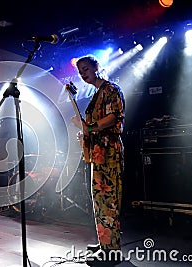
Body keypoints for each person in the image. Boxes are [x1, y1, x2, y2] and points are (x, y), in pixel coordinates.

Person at [70, 55, 125, 266]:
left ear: (96, 67)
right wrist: (86, 133)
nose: (83, 74)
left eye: (86, 69)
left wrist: (88, 128)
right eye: (80, 71)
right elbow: (93, 125)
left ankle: (112, 251)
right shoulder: (96, 94)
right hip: (98, 151)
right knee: (100, 200)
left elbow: (113, 118)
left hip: (109, 151)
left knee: (109, 199)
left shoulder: (111, 90)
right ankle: (105, 244)